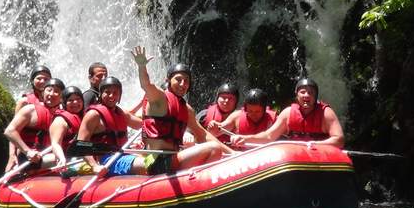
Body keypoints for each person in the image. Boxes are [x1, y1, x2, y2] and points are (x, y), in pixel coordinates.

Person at [131, 45, 233, 175]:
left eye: (186, 81)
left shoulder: (186, 108)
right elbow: (146, 84)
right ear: (168, 80)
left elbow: (203, 135)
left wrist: (232, 153)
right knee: (214, 149)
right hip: (155, 160)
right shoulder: (159, 97)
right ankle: (196, 184)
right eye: (178, 79)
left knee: (213, 147)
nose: (182, 84)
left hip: (171, 157)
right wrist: (141, 66)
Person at [230, 78, 344, 149]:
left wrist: (314, 145)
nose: (306, 95)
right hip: (295, 157)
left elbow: (339, 140)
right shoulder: (288, 113)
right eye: (302, 92)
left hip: (320, 154)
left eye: (310, 92)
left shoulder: (326, 113)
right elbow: (269, 136)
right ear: (297, 96)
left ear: (315, 96)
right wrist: (245, 139)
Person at [76, 76, 144, 176]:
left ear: (120, 95)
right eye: (107, 92)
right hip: (106, 160)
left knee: (153, 158)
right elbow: (81, 145)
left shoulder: (121, 113)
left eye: (115, 93)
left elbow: (144, 126)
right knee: (146, 164)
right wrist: (94, 166)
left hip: (122, 155)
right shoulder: (93, 115)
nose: (111, 96)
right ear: (101, 94)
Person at [4, 78, 65, 169]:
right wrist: (27, 151)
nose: (51, 94)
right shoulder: (30, 110)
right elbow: (9, 131)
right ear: (43, 93)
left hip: (48, 156)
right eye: (49, 90)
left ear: (61, 98)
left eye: (56, 92)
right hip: (28, 159)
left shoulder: (63, 115)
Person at [208, 88, 276, 139]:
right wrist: (214, 127)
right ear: (245, 109)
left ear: (264, 110)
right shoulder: (236, 117)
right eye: (250, 111)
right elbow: (218, 130)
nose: (253, 115)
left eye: (257, 111)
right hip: (242, 155)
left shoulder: (273, 119)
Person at [46, 85, 84, 169]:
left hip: (80, 158)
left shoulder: (84, 117)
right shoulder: (60, 120)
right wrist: (62, 159)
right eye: (70, 100)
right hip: (67, 160)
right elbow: (55, 143)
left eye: (78, 99)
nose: (75, 103)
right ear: (64, 103)